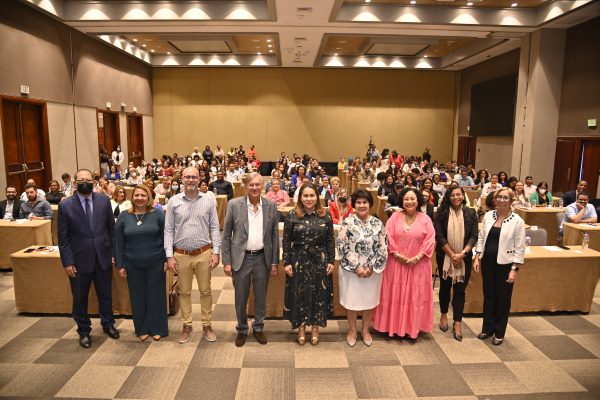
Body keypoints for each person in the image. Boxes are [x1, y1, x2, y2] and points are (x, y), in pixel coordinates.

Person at [57, 169, 119, 349]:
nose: (85, 182)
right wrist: (67, 261)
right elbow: (63, 238)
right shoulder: (65, 205)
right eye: (81, 180)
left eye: (88, 180)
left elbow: (111, 230)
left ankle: (108, 324)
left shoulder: (103, 200)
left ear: (94, 182)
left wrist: (113, 253)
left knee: (105, 295)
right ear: (75, 183)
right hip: (78, 261)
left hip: (103, 257)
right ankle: (83, 331)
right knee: (80, 298)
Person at [221, 173, 279, 347]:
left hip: (263, 257)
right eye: (251, 185)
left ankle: (258, 327)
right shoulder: (233, 205)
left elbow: (275, 235)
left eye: (258, 185)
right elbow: (226, 235)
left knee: (261, 295)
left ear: (262, 186)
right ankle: (241, 329)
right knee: (241, 297)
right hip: (241, 258)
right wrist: (227, 261)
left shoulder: (271, 205)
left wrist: (274, 261)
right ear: (245, 186)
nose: (255, 188)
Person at [165, 167, 221, 344]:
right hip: (180, 254)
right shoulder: (173, 201)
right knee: (184, 292)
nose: (190, 180)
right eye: (187, 177)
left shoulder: (208, 200)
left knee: (206, 291)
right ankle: (187, 325)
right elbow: (168, 230)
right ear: (181, 178)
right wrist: (169, 255)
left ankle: (206, 325)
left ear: (199, 179)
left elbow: (215, 227)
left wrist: (216, 252)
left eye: (194, 177)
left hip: (203, 252)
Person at [373, 187, 435, 339]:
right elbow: (387, 236)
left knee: (414, 297)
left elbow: (430, 241)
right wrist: (397, 254)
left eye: (412, 199)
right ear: (401, 201)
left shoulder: (425, 219)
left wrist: (417, 258)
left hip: (418, 265)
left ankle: (410, 328)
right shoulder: (394, 217)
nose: (409, 202)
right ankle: (392, 326)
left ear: (418, 200)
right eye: (406, 199)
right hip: (396, 263)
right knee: (394, 296)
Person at [283, 183, 335, 346]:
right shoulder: (292, 214)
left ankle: (315, 328)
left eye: (312, 195)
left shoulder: (325, 214)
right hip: (298, 258)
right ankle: (300, 327)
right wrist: (286, 262)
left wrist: (331, 261)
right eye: (305, 196)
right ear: (300, 198)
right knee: (300, 292)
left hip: (320, 258)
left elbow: (330, 240)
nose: (309, 199)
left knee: (318, 293)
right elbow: (286, 240)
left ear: (317, 197)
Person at [116, 185, 168, 341]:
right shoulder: (124, 216)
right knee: (137, 297)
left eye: (143, 195)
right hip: (132, 263)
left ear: (148, 198)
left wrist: (167, 259)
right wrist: (121, 264)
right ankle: (142, 328)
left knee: (156, 296)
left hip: (156, 262)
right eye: (136, 195)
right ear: (132, 198)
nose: (139, 198)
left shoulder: (158, 214)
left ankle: (158, 327)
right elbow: (118, 242)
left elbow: (166, 238)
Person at [474, 188, 525, 345]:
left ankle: (499, 332)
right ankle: (487, 328)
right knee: (489, 296)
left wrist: (514, 269)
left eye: (505, 197)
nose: (502, 200)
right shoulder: (489, 216)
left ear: (511, 200)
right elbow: (481, 237)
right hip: (488, 261)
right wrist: (477, 256)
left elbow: (520, 247)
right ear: (495, 200)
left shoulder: (518, 221)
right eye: (499, 197)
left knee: (502, 299)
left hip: (506, 264)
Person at [337, 189, 388, 347]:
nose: (361, 205)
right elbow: (342, 246)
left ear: (370, 204)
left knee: (368, 300)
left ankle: (365, 330)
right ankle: (352, 330)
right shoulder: (347, 222)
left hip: (372, 271)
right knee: (351, 301)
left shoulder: (378, 223)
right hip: (351, 271)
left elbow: (383, 247)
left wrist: (371, 267)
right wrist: (357, 266)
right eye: (358, 202)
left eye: (365, 202)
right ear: (354, 204)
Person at [435, 185, 478, 342]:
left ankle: (458, 323)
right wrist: (453, 255)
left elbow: (474, 236)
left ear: (463, 195)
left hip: (464, 257)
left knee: (460, 290)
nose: (455, 197)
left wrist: (462, 254)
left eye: (458, 194)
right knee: (445, 288)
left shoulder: (471, 212)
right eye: (452, 195)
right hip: (445, 256)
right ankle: (444, 314)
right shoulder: (441, 213)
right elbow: (439, 237)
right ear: (448, 197)